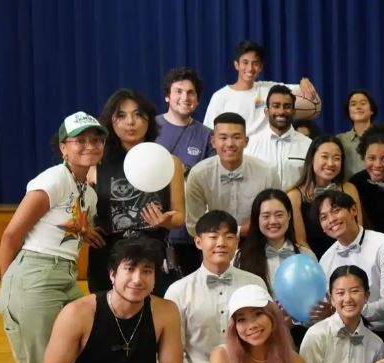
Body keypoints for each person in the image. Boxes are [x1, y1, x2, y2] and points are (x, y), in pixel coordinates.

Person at [0, 112, 106, 363]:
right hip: (35, 274)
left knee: (75, 357)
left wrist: (84, 231)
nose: (90, 145)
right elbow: (10, 236)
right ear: (64, 147)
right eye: (80, 140)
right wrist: (9, 288)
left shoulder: (88, 191)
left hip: (66, 277)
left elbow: (65, 220)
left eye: (96, 139)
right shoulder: (53, 180)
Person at [20, 238, 195, 363]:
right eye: (129, 269)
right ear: (112, 274)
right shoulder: (77, 312)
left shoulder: (166, 311)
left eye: (147, 271)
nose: (137, 279)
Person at [165, 210, 269, 363]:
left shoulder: (255, 283)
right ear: (198, 241)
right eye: (213, 236)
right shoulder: (178, 291)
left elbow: (268, 338)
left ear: (237, 241)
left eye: (229, 236)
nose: (221, 243)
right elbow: (175, 353)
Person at [88, 89, 186, 297]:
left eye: (138, 114)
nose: (130, 122)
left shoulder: (170, 162)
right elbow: (75, 207)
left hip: (151, 258)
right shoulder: (97, 163)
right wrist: (85, 229)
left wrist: (164, 221)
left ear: (149, 119)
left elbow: (179, 216)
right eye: (121, 116)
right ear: (110, 122)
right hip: (107, 258)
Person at [316, 190, 384, 344]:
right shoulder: (325, 260)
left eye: (336, 211)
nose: (331, 220)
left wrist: (345, 310)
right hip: (341, 335)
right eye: (324, 217)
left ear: (354, 210)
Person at [156, 67, 217, 278]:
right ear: (167, 96)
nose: (185, 97)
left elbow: (209, 180)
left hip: (189, 233)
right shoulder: (150, 128)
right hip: (153, 230)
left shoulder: (207, 135)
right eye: (179, 91)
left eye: (191, 93)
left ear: (198, 100)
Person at [185, 112, 281, 237]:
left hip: (257, 238)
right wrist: (236, 232)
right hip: (215, 240)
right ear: (213, 142)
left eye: (236, 137)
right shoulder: (199, 173)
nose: (230, 144)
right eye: (223, 138)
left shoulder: (267, 172)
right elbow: (194, 225)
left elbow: (277, 217)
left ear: (246, 141)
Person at [204, 40, 319, 137]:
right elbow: (208, 134)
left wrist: (304, 82)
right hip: (236, 157)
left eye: (255, 63)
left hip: (266, 154)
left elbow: (310, 98)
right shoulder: (220, 97)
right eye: (245, 62)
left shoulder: (269, 89)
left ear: (261, 67)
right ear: (236, 65)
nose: (250, 68)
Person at [286, 135, 364, 258]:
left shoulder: (349, 189)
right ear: (312, 158)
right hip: (313, 260)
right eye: (324, 157)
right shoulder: (294, 196)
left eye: (337, 158)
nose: (331, 163)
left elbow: (358, 230)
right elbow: (301, 242)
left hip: (350, 255)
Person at [235, 188, 315, 292]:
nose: (273, 221)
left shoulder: (307, 256)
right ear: (257, 219)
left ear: (289, 215)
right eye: (266, 216)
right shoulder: (241, 258)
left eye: (279, 215)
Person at [245, 85, 314, 191]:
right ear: (266, 112)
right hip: (260, 206)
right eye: (276, 106)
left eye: (287, 106)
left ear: (294, 111)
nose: (281, 111)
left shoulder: (309, 145)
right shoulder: (250, 145)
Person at [337, 90, 379, 179]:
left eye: (363, 103)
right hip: (348, 190)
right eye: (353, 104)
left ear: (372, 110)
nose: (358, 107)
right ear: (348, 112)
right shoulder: (340, 140)